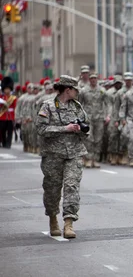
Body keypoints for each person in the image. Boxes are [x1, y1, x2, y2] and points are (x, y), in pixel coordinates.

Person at [36, 75, 88, 239]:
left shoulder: (77, 107)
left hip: (74, 153)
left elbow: (86, 127)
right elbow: (41, 129)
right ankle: (53, 219)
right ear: (68, 89)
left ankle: (68, 223)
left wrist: (81, 129)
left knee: (72, 186)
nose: (77, 92)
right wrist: (64, 128)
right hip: (53, 154)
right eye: (75, 89)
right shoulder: (48, 106)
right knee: (52, 189)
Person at [1, 76, 17, 148]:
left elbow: (15, 107)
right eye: (6, 89)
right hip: (3, 116)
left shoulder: (13, 98)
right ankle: (4, 142)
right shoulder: (1, 98)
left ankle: (8, 143)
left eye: (8, 89)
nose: (7, 90)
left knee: (10, 131)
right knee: (2, 131)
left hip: (10, 116)